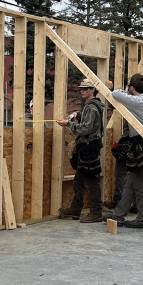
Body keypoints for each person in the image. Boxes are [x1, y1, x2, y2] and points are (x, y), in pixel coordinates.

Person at [106, 74, 143, 229]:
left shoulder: (136, 102)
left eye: (130, 88)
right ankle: (118, 216)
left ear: (132, 88)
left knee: (142, 185)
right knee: (130, 182)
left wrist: (125, 91)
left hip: (140, 145)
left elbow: (115, 94)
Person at [57, 79, 106, 223]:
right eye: (81, 89)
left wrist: (69, 124)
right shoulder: (90, 106)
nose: (82, 91)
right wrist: (78, 114)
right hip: (87, 147)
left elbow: (85, 129)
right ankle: (75, 210)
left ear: (93, 90)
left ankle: (96, 212)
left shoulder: (92, 107)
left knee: (92, 181)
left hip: (89, 148)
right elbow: (88, 122)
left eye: (85, 89)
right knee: (79, 180)